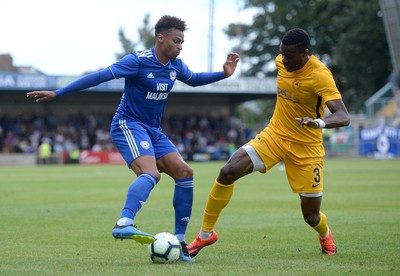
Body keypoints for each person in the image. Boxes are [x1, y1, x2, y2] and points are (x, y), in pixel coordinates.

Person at [27, 15, 239, 262]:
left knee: (185, 173)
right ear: (160, 38)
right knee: (151, 174)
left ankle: (180, 243)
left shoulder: (175, 66)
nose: (180, 46)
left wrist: (223, 74)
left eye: (182, 42)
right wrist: (59, 92)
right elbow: (99, 76)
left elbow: (194, 79)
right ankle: (124, 223)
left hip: (153, 130)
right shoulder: (137, 61)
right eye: (176, 41)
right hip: (128, 124)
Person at [187, 28, 350, 257]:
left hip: (307, 147)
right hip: (275, 135)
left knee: (311, 216)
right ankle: (205, 235)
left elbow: (343, 116)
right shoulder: (282, 62)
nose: (283, 60)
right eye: (281, 54)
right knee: (228, 171)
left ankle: (325, 234)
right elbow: (283, 62)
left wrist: (318, 123)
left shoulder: (320, 75)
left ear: (305, 54)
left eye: (289, 56)